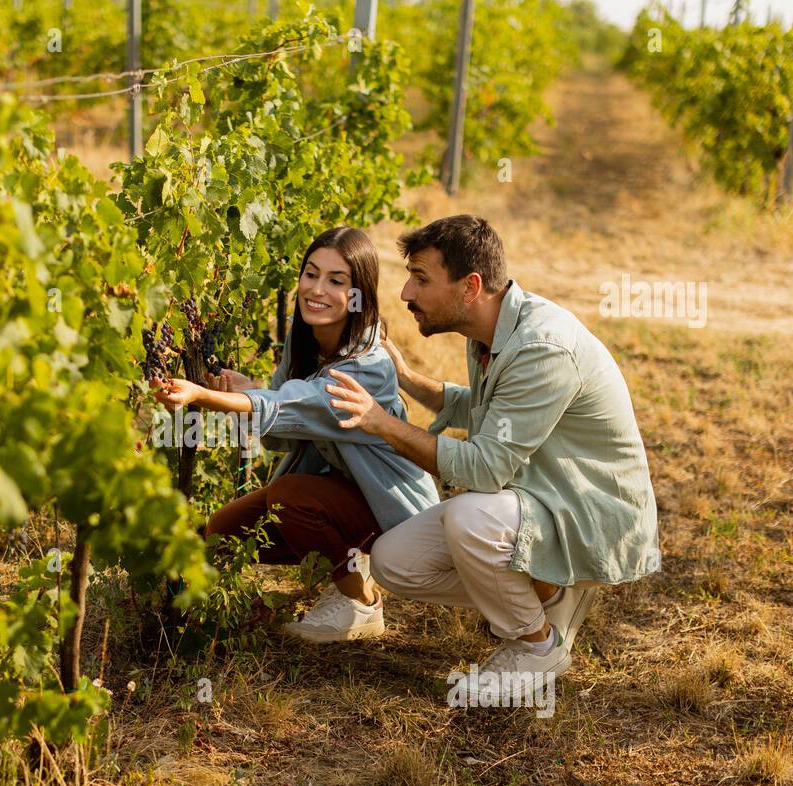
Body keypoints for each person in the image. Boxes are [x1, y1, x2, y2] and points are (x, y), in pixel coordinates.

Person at [323, 215, 660, 695]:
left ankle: (536, 645)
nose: (405, 294)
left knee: (469, 517)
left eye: (421, 279)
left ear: (470, 286)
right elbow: (491, 410)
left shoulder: (541, 348)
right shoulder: (488, 330)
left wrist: (380, 421)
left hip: (589, 517)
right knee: (396, 561)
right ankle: (546, 590)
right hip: (544, 497)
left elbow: (483, 469)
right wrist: (409, 379)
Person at [152, 226, 440, 642]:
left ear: (359, 294)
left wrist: (200, 396)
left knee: (290, 497)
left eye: (336, 281)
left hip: (396, 514)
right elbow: (286, 425)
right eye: (311, 273)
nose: (317, 289)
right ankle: (349, 565)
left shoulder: (367, 367)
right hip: (340, 493)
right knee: (222, 533)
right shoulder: (304, 337)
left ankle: (361, 604)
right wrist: (250, 388)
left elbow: (289, 405)